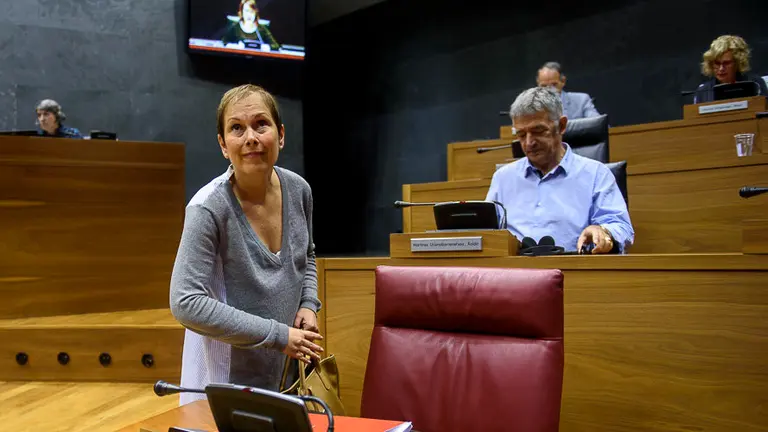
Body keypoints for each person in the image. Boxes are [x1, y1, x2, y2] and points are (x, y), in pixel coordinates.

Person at [170, 84, 322, 405]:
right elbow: (186, 302)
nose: (250, 137)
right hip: (226, 380)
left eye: (260, 124)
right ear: (224, 145)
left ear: (280, 135)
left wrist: (308, 303)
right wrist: (279, 336)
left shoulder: (300, 190)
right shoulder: (206, 208)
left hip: (285, 370)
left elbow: (306, 255)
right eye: (237, 128)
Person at [487, 87, 634, 254]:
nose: (528, 143)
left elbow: (621, 227)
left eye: (538, 131)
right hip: (514, 276)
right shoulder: (503, 178)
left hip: (575, 273)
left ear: (562, 126)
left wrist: (604, 232)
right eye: (521, 134)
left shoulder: (596, 174)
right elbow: (486, 234)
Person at [694, 35, 768, 103]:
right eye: (717, 63)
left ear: (738, 63)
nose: (721, 68)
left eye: (726, 63)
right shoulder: (703, 91)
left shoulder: (756, 84)